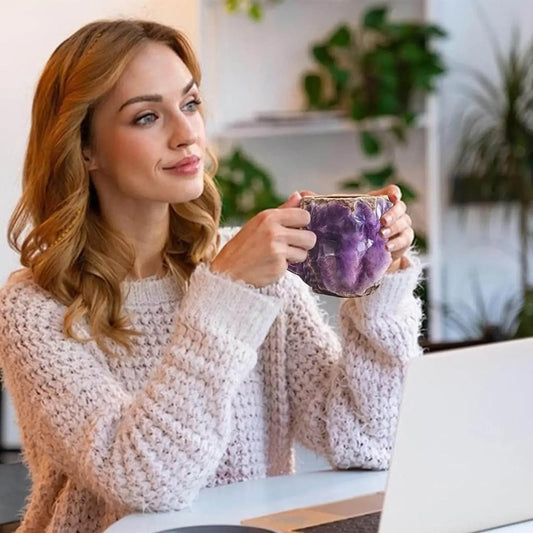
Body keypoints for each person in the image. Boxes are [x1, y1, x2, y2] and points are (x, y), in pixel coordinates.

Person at [0, 19, 422, 533]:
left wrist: (381, 284)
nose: (186, 134)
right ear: (85, 148)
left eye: (191, 104)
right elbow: (146, 480)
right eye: (148, 116)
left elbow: (364, 439)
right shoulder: (35, 308)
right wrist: (223, 297)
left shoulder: (244, 267)